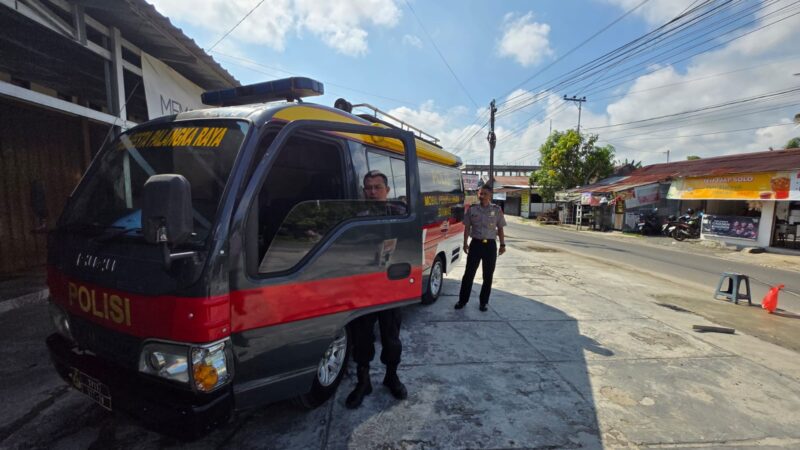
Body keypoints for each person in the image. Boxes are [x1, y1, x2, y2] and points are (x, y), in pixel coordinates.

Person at [346, 170, 407, 409]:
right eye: (368, 188)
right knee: (361, 338)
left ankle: (391, 376)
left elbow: (404, 242)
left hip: (390, 286)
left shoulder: (400, 213)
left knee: (391, 338)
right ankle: (363, 382)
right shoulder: (355, 215)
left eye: (377, 187)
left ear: (387, 190)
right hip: (363, 285)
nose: (372, 192)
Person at [455, 184, 506, 312]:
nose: (481, 196)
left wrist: (502, 245)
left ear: (490, 196)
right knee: (468, 274)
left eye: (484, 194)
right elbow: (467, 227)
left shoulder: (497, 210)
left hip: (490, 246)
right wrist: (465, 243)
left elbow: (500, 228)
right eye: (480, 194)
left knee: (488, 276)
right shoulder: (472, 209)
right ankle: (462, 300)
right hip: (476, 245)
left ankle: (483, 302)